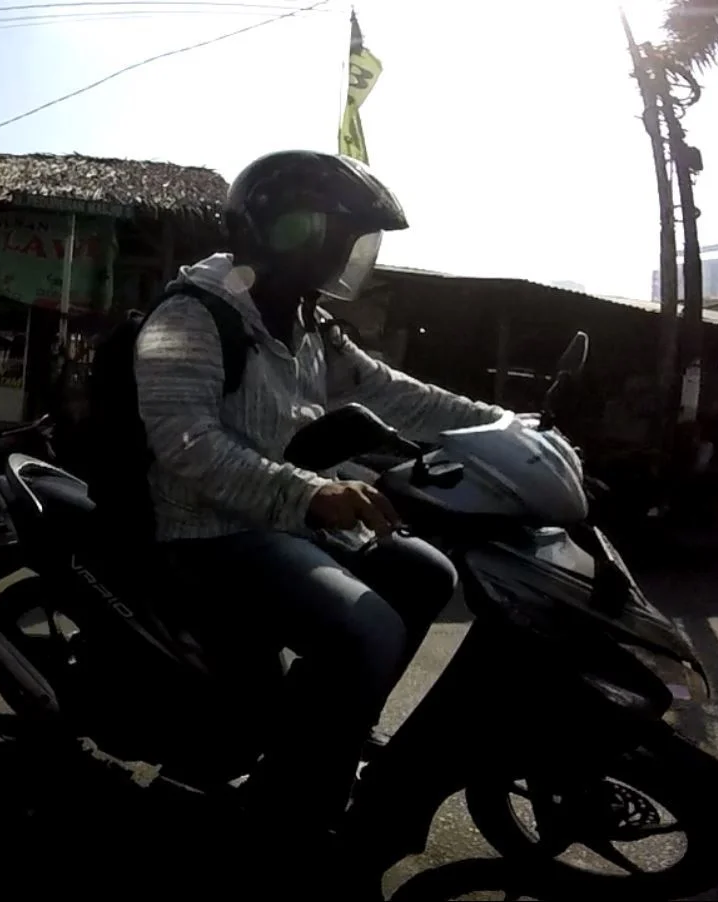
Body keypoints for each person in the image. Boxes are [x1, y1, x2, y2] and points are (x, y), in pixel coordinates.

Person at [132, 151, 503, 831]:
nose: (344, 256)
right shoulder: (189, 317)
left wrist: (504, 426)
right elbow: (186, 442)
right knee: (367, 627)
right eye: (336, 236)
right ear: (286, 231)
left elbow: (394, 393)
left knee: (426, 572)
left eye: (354, 241)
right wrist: (309, 493)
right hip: (208, 530)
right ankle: (289, 812)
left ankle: (321, 729)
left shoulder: (304, 321)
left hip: (281, 515)